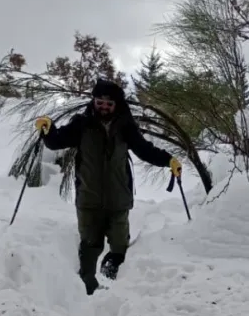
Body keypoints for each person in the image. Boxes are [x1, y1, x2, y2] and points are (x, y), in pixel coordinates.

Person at [35, 78, 182, 295]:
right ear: (93, 101)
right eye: (100, 102)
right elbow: (57, 141)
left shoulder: (125, 126)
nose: (104, 107)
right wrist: (48, 129)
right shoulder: (82, 123)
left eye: (109, 104)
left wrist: (168, 160)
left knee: (119, 247)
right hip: (88, 199)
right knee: (89, 247)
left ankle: (115, 292)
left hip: (118, 200)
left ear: (117, 105)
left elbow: (144, 149)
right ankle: (86, 290)